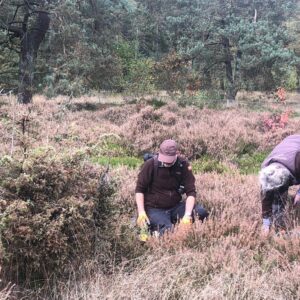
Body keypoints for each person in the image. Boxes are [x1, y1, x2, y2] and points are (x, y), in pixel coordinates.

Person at [135, 139, 208, 238]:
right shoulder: (150, 164)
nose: (167, 163)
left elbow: (191, 192)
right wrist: (141, 212)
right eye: (164, 160)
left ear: (177, 154)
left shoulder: (183, 165)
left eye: (169, 161)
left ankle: (161, 227)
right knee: (168, 231)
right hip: (154, 208)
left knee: (201, 213)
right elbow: (139, 190)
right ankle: (154, 230)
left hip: (175, 206)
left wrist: (187, 215)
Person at [259, 134, 300, 234]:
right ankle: (279, 226)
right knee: (276, 195)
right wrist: (266, 223)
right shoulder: (266, 170)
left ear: (286, 178)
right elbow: (266, 198)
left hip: (295, 149)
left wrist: (299, 193)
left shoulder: (297, 161)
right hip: (287, 149)